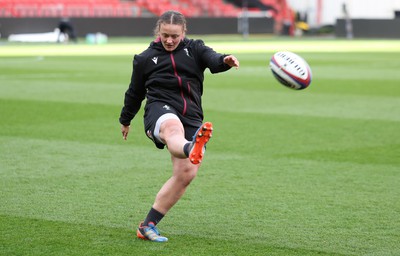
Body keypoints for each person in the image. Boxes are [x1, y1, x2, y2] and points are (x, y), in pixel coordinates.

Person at [119, 10, 239, 242]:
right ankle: (190, 147)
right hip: (159, 109)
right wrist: (126, 119)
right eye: (165, 35)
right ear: (158, 32)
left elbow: (213, 59)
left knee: (186, 173)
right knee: (173, 130)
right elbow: (134, 93)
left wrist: (225, 60)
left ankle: (148, 225)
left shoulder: (195, 48)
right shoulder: (145, 58)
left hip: (192, 115)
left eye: (174, 35)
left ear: (183, 32)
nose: (170, 40)